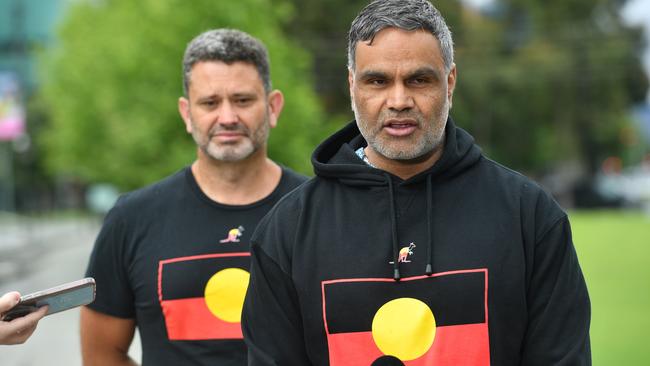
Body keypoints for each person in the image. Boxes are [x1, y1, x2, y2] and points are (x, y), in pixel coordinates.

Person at [241, 0, 591, 365]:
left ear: (450, 82)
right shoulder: (287, 231)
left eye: (418, 79)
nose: (398, 100)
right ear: (351, 86)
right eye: (377, 81)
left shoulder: (529, 217)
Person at [80, 29, 308, 365]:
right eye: (210, 103)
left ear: (273, 107)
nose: (227, 118)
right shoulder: (131, 218)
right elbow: (102, 353)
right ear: (187, 113)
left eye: (243, 100)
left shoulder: (319, 212)